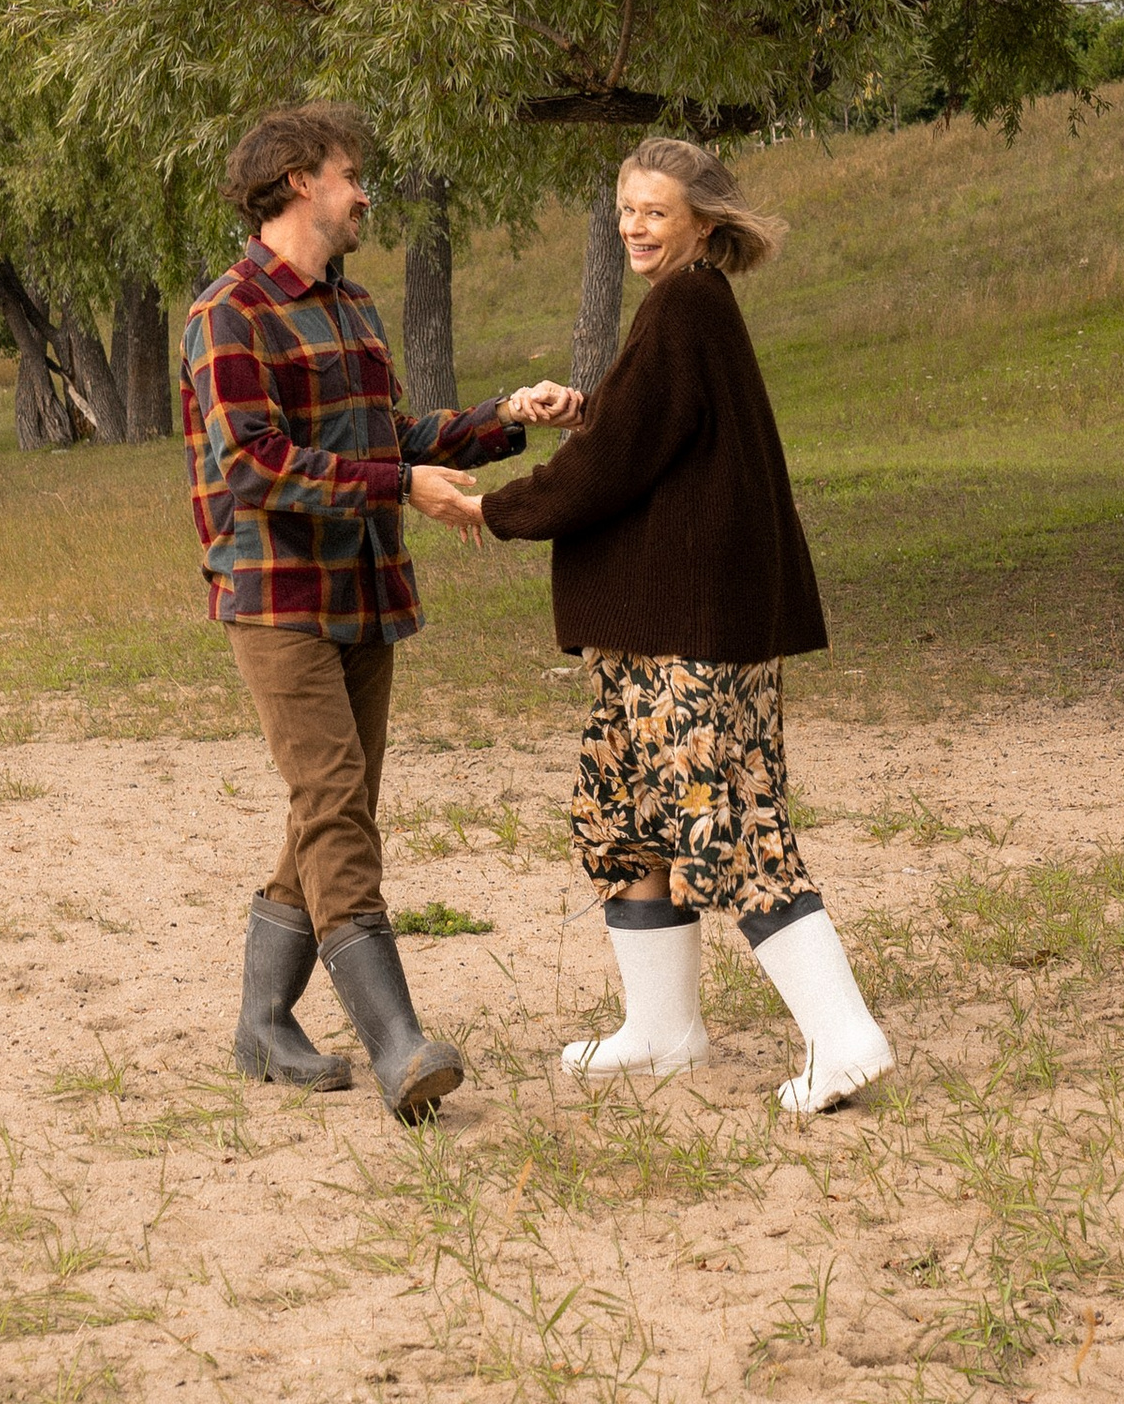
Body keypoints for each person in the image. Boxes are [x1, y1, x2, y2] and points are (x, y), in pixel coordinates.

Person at [420, 137, 892, 1116]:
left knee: (727, 819)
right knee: (626, 814)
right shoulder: (682, 309)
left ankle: (844, 1038)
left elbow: (612, 467)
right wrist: (591, 407)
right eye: (626, 209)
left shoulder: (686, 302)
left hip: (693, 635)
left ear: (702, 224)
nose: (636, 225)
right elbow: (646, 429)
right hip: (650, 634)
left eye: (656, 211)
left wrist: (489, 509)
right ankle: (662, 1028)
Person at [182, 105, 582, 1121]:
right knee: (334, 804)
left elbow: (392, 434)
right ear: (294, 181)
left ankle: (263, 1025)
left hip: (363, 585)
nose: (364, 193)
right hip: (277, 596)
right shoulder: (225, 312)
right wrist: (403, 485)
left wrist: (501, 419)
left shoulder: (351, 306)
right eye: (350, 174)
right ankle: (398, 1043)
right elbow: (254, 463)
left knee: (335, 802)